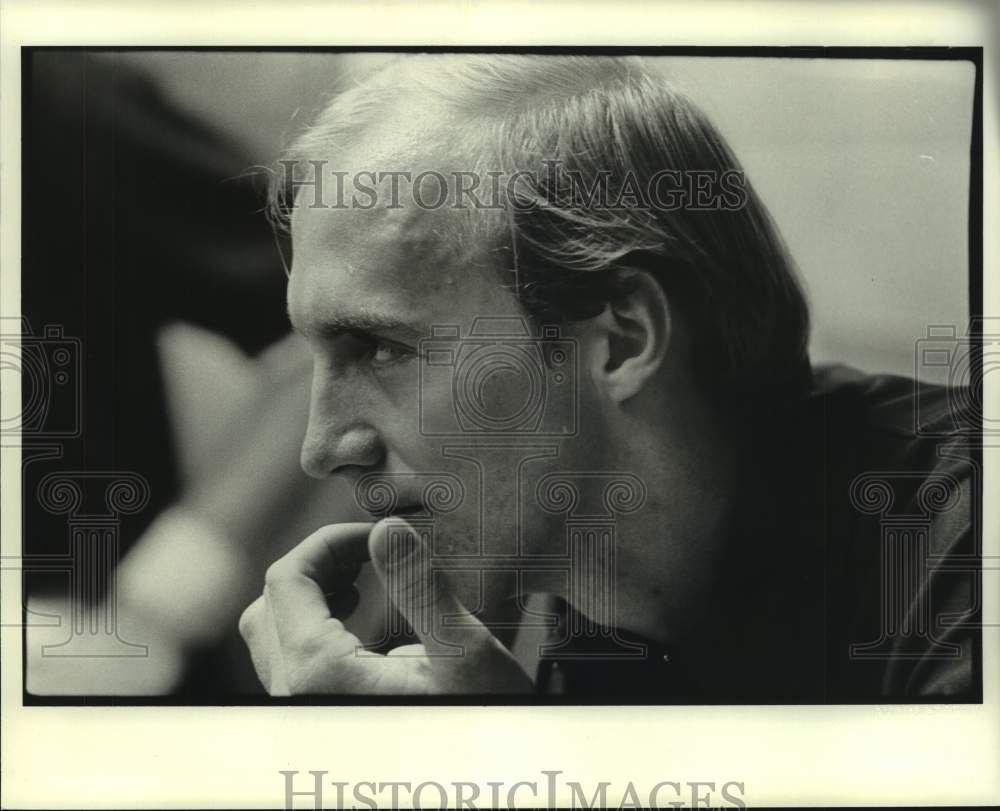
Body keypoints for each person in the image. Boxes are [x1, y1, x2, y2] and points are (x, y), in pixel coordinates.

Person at [237, 54, 979, 701]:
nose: (322, 445)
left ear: (623, 340)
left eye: (378, 346)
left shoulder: (965, 543)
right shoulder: (534, 584)